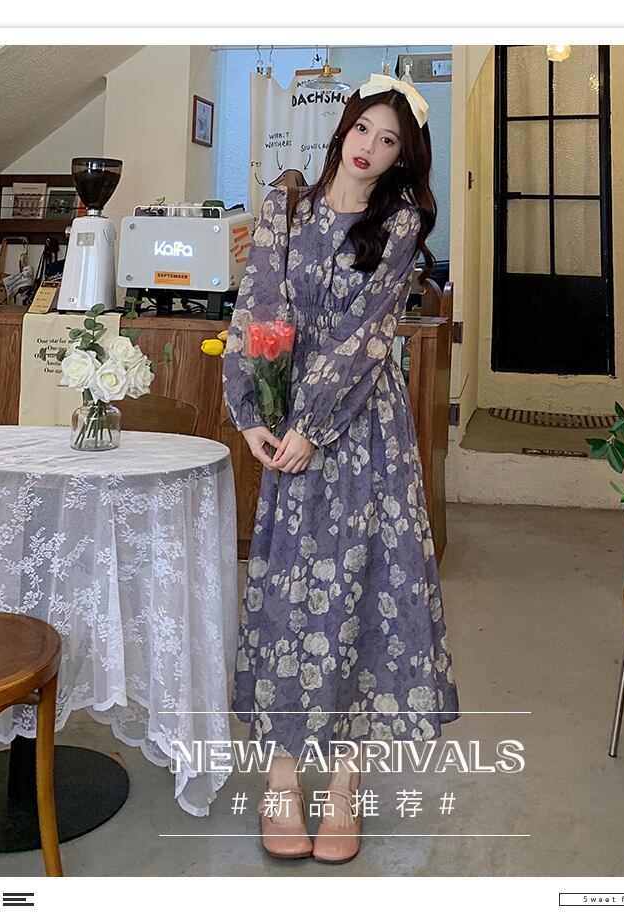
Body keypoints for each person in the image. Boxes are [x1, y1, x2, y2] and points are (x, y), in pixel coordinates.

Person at [221, 73, 460, 864]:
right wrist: (253, 414)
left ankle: (346, 783)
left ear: (402, 157)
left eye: (389, 141)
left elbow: (366, 336)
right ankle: (282, 777)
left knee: (363, 595)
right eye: (364, 129)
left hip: (364, 430)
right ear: (343, 127)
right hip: (288, 425)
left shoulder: (401, 224)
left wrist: (313, 426)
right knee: (291, 595)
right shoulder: (285, 207)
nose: (370, 148)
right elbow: (258, 310)